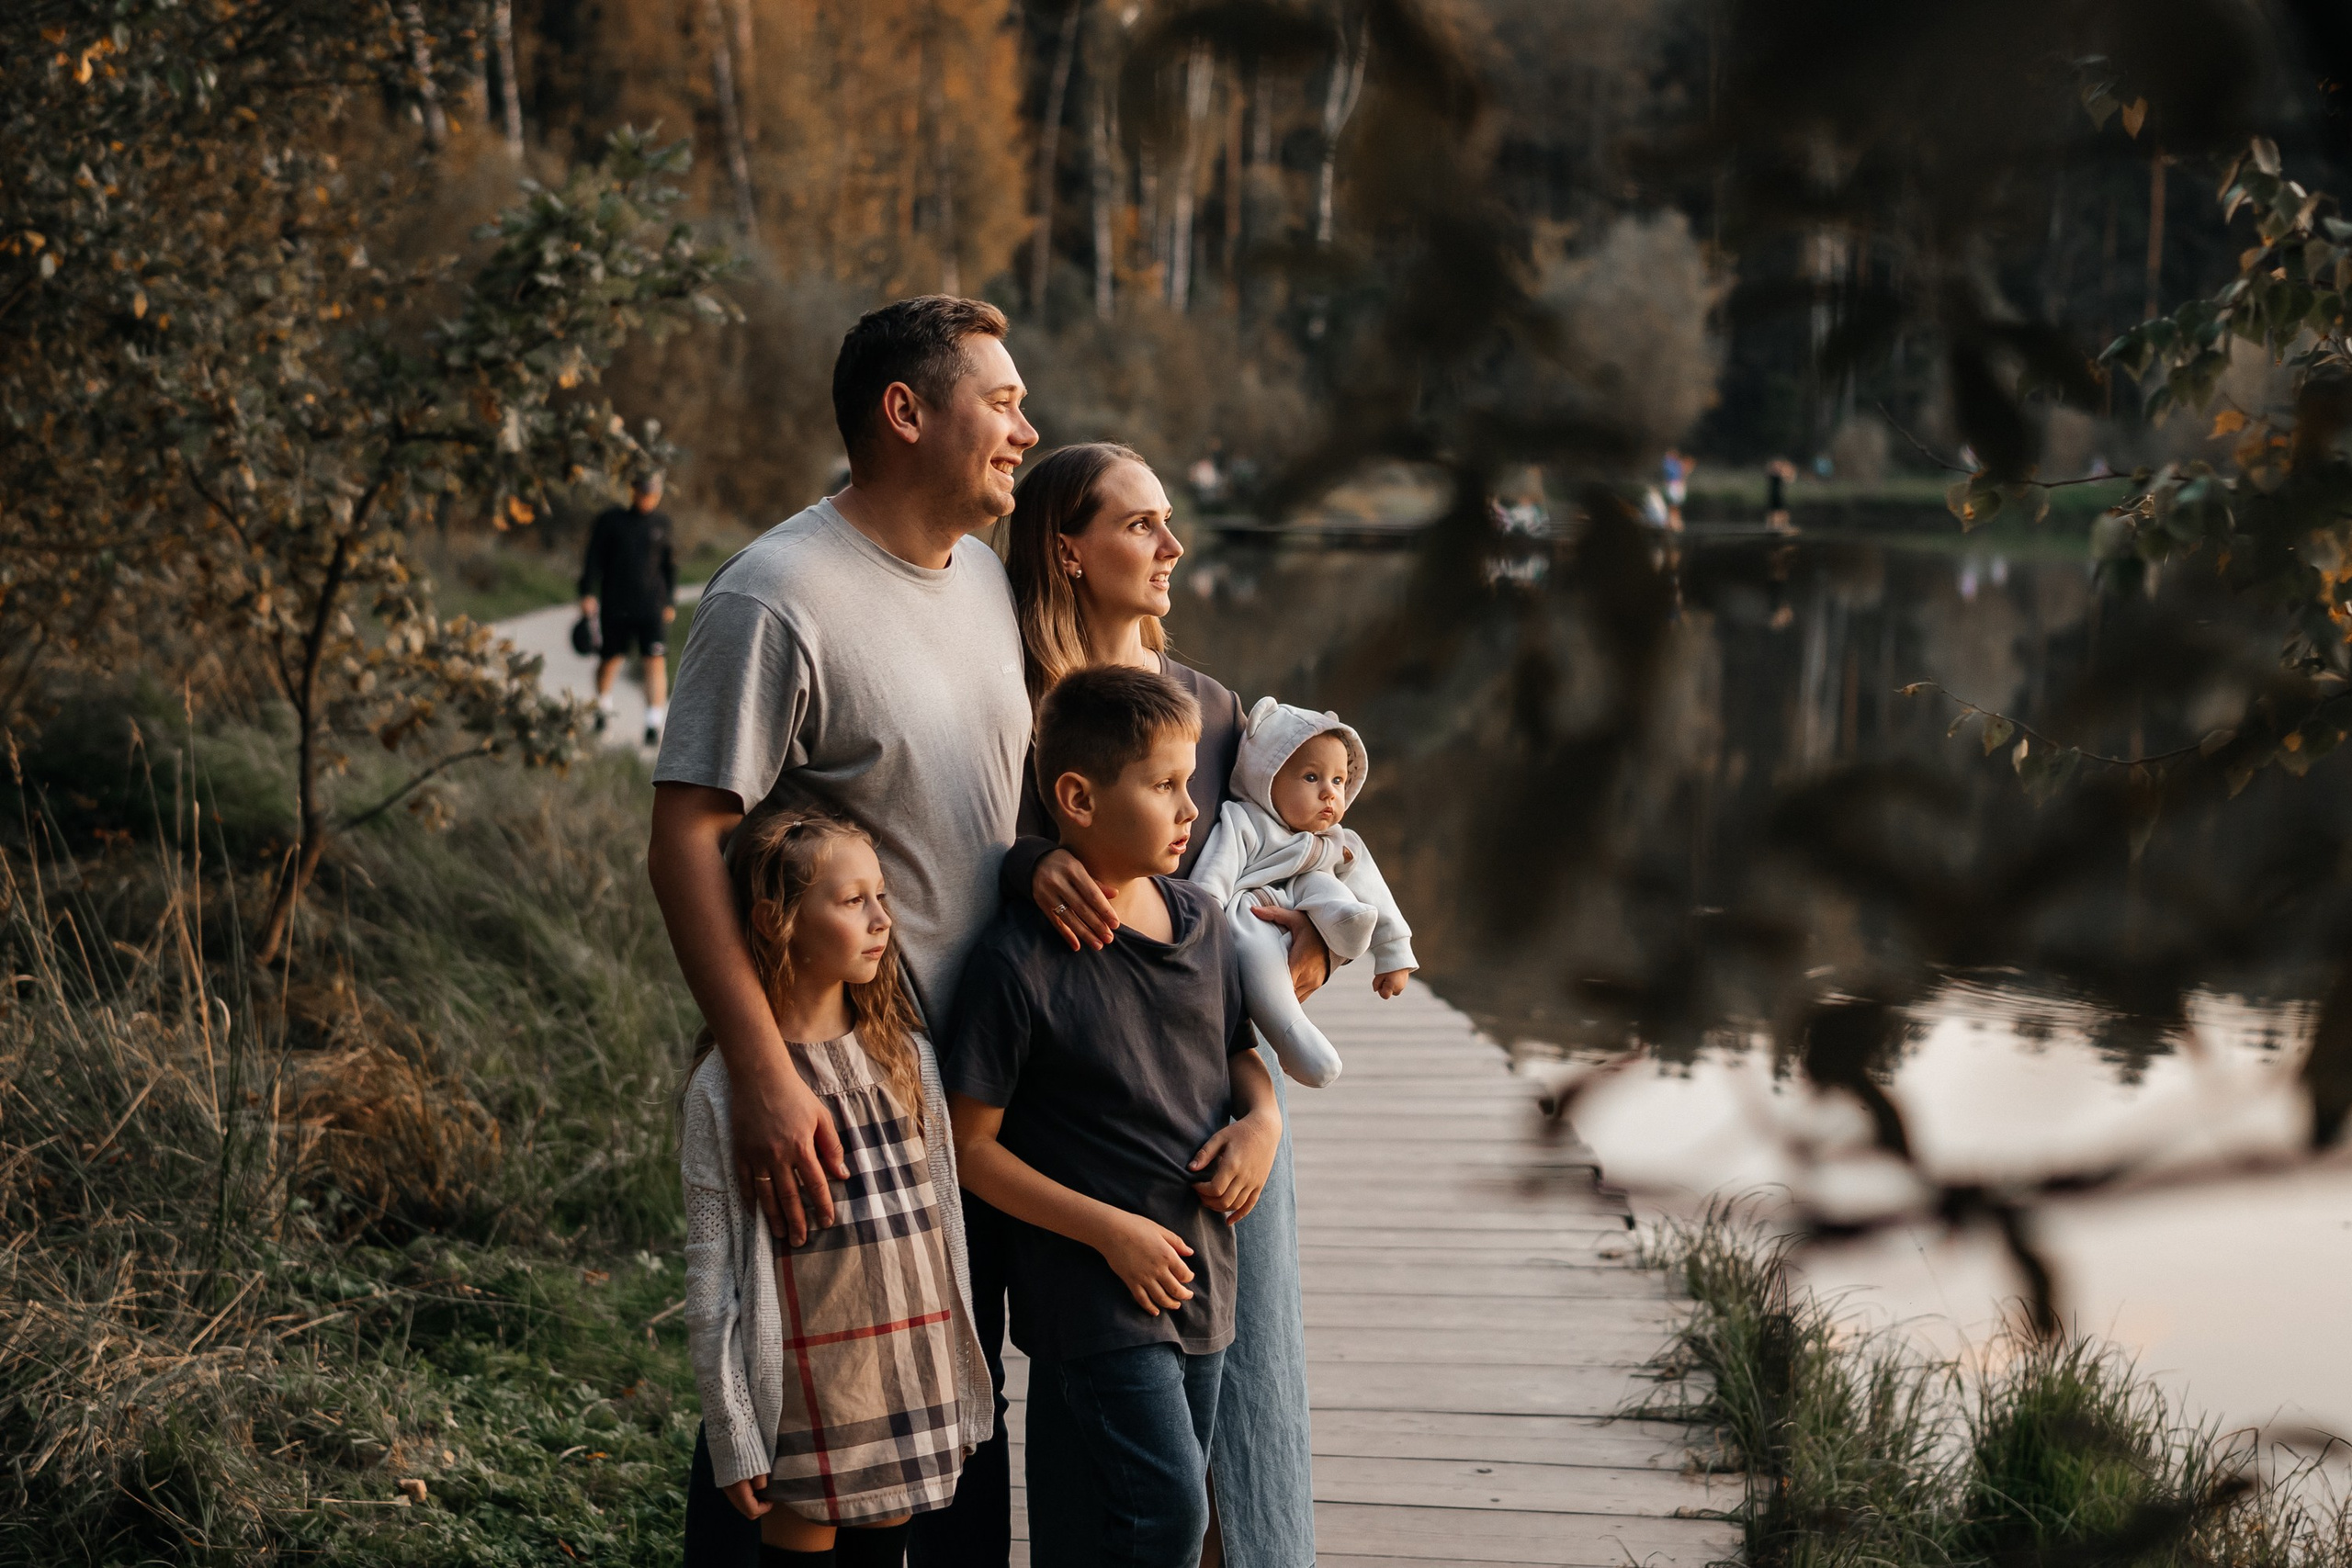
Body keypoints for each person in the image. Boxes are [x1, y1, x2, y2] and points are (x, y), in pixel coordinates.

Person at [648, 295, 1040, 1568]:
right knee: (790, 1422)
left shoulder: (979, 574)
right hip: (834, 1090)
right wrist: (761, 1071)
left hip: (956, 1088)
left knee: (944, 1418)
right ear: (907, 411)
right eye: (1003, 398)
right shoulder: (779, 594)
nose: (1026, 428)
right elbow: (688, 838)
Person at [996, 442, 1323, 1568]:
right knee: (1110, 1404)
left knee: (1248, 1371)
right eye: (1140, 525)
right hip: (1076, 1107)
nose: (1171, 546)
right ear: (1066, 549)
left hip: (1217, 1085)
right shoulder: (1016, 695)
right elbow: (959, 852)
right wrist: (1019, 865)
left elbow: (1275, 871)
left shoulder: (1213, 709)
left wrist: (1315, 941)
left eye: (1167, 521)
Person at [944, 666, 1284, 1568]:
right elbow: (968, 1146)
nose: (1189, 809)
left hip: (1200, 1273)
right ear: (1076, 798)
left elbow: (1238, 1059)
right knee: (1167, 1515)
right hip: (1094, 1292)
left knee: (1083, 1514)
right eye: (1164, 785)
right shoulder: (1018, 963)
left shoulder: (1202, 923)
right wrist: (1110, 1235)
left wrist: (1264, 1127)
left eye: (1192, 786)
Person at [682, 811, 991, 1566]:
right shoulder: (728, 1087)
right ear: (777, 920)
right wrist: (733, 1430)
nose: (883, 919)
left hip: (907, 1380)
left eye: (880, 897)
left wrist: (962, 1374)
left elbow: (946, 1227)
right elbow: (710, 1275)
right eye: (853, 901)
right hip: (807, 1395)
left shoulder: (908, 1057)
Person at [1191, 698, 1417, 1087]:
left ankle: (1348, 920)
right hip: (1254, 915)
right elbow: (1215, 874)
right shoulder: (1246, 822)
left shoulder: (1339, 842)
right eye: (1312, 778)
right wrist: (1200, 923)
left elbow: (1378, 894)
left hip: (1309, 907)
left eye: (1339, 781)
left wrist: (1394, 953)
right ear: (1267, 776)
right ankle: (1293, 1038)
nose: (1329, 793)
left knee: (1330, 884)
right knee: (1259, 958)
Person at [579, 470, 680, 746]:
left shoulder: (663, 524)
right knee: (610, 660)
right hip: (616, 604)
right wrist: (587, 592)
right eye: (641, 492)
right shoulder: (611, 521)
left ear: (658, 495)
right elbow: (593, 559)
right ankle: (602, 708)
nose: (645, 498)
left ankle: (653, 723)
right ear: (632, 490)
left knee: (655, 661)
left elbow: (670, 566)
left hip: (652, 607)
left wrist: (670, 600)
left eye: (651, 494)